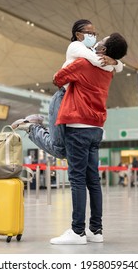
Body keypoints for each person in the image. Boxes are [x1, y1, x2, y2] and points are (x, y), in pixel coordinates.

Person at [44, 32, 128, 244]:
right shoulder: (110, 69)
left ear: (104, 50)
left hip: (78, 126)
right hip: (96, 129)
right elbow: (117, 65)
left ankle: (77, 231)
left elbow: (57, 79)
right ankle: (96, 230)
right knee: (93, 181)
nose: (99, 39)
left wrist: (73, 60)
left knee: (77, 179)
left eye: (103, 40)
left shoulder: (83, 64)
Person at [11, 19, 123, 159]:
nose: (93, 37)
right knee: (60, 150)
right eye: (89, 33)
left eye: (95, 33)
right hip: (63, 97)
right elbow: (96, 61)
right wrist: (113, 62)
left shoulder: (90, 50)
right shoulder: (76, 47)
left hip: (74, 101)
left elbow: (117, 67)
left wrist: (115, 62)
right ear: (78, 34)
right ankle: (32, 128)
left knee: (63, 150)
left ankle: (33, 126)